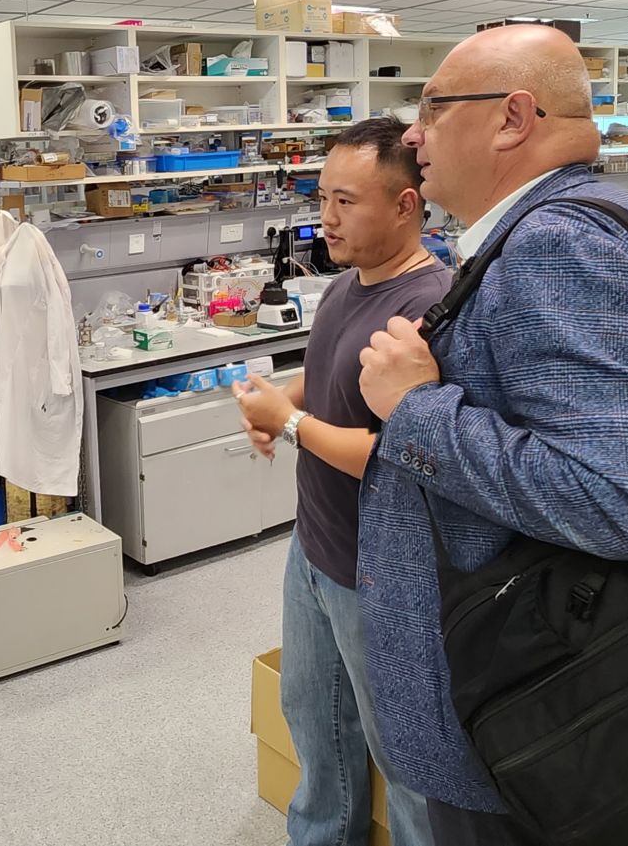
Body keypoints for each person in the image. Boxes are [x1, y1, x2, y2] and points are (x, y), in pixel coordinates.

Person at [352, 25, 628, 846]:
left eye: (433, 107)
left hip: (515, 720)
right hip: (515, 693)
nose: (411, 132)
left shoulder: (559, 243)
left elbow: (624, 498)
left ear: (512, 118)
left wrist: (413, 408)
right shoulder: (555, 226)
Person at [234, 116, 448, 846]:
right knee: (314, 718)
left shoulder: (427, 306)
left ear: (405, 205)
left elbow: (398, 451)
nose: (326, 217)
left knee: (405, 755)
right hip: (316, 547)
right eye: (323, 197)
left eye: (347, 201)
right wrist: (284, 403)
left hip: (381, 571)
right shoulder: (345, 286)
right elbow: (329, 375)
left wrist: (290, 426)